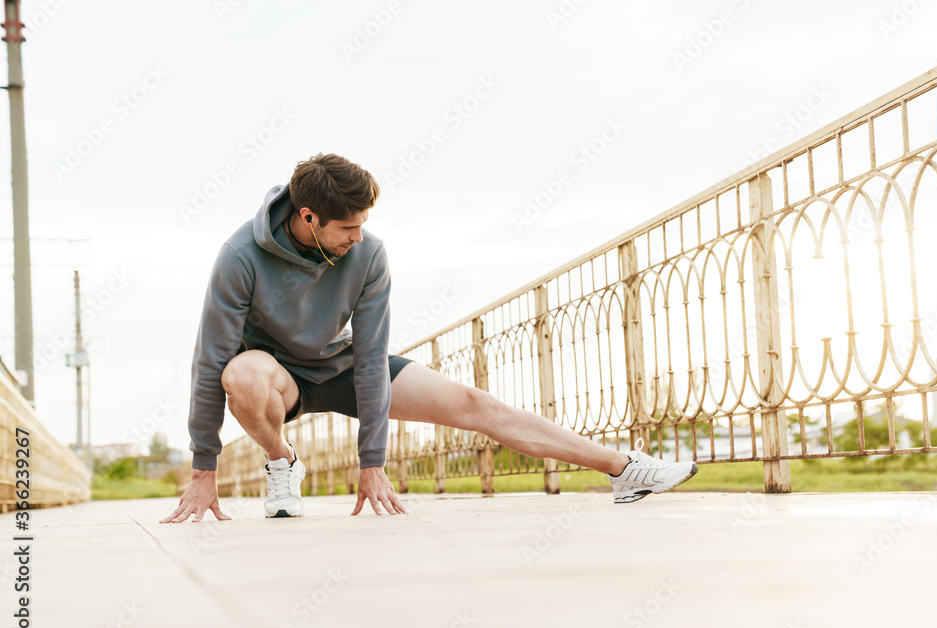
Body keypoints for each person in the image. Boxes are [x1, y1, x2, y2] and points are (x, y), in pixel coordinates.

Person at [160, 153, 698, 524]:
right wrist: (203, 468)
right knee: (241, 374)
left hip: (342, 364)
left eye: (364, 223)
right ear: (308, 216)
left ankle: (624, 469)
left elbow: (371, 359)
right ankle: (282, 460)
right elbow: (210, 363)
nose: (360, 236)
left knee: (473, 403)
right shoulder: (240, 257)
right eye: (348, 227)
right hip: (277, 375)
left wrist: (372, 462)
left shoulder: (368, 255)